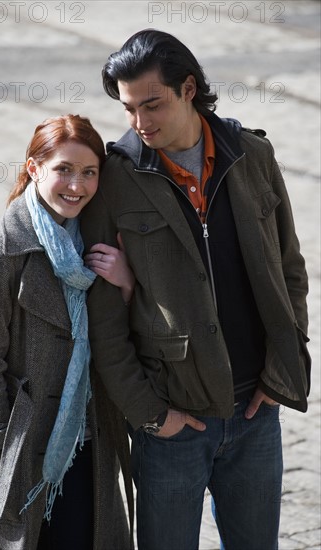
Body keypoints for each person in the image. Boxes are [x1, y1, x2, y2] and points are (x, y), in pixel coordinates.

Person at [80, 30, 311, 550]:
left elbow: (291, 270)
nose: (141, 122)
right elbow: (102, 315)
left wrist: (281, 373)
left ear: (189, 89)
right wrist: (150, 415)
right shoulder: (115, 178)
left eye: (152, 104)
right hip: (171, 425)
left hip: (257, 412)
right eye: (129, 108)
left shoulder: (251, 154)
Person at [0, 114, 135, 550]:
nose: (77, 185)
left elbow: (120, 340)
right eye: (64, 169)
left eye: (89, 173)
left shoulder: (97, 242)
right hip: (22, 455)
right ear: (34, 168)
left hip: (88, 444)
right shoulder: (1, 252)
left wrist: (126, 286)